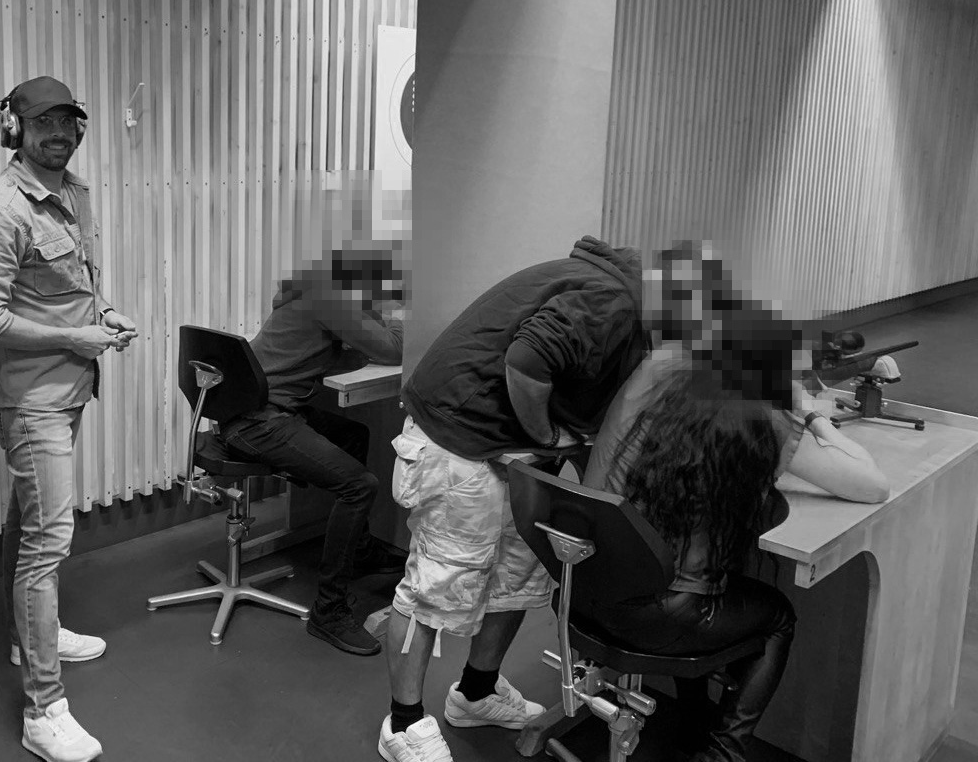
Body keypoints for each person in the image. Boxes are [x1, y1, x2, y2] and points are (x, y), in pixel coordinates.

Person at [579, 246, 888, 762]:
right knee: (776, 616)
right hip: (650, 607)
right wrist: (814, 417)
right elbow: (871, 484)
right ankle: (722, 755)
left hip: (582, 580)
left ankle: (692, 707)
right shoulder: (759, 412)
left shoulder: (660, 363)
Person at [378, 236, 651, 762]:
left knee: (518, 579)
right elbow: (527, 362)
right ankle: (402, 724)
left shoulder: (615, 296)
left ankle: (476, 694)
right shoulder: (612, 300)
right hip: (459, 440)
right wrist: (547, 437)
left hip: (509, 451)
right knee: (436, 585)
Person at [0, 76, 137, 762]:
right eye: (46, 124)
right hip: (30, 395)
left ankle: (28, 632)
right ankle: (43, 710)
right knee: (49, 542)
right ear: (18, 129)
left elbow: (73, 282)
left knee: (29, 520)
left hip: (67, 385)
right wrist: (71, 339)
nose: (61, 134)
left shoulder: (73, 191)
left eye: (71, 123)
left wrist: (103, 314)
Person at [214, 241, 410, 656]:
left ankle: (358, 550)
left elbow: (338, 358)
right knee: (360, 486)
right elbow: (391, 347)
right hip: (259, 421)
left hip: (250, 409)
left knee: (355, 436)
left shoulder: (311, 290)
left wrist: (365, 326)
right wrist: (393, 313)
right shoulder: (331, 298)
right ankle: (330, 610)